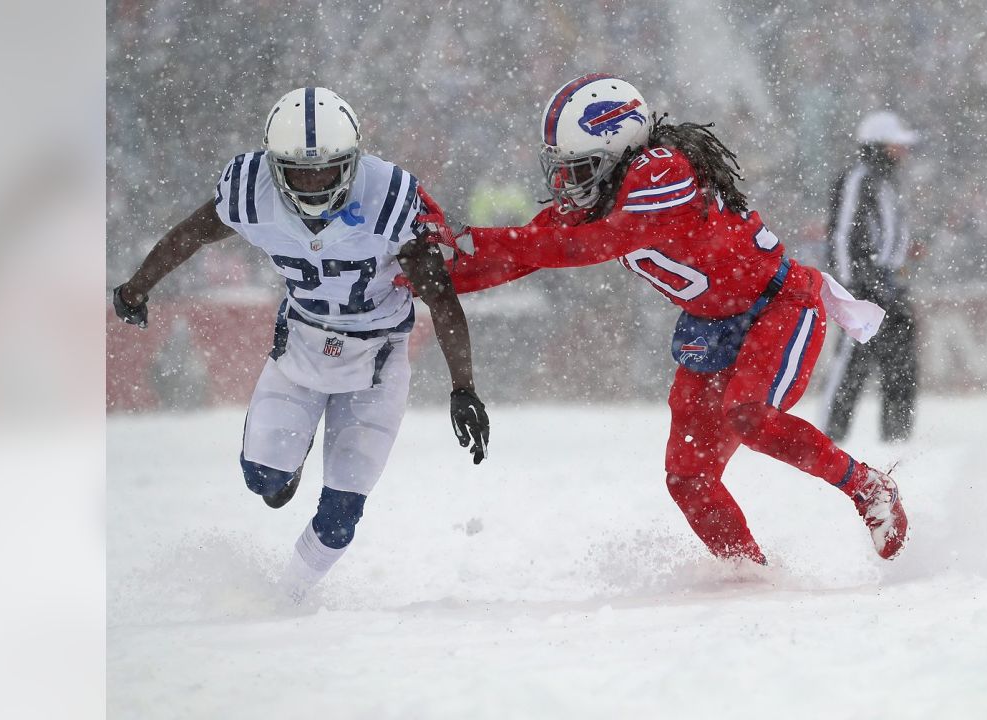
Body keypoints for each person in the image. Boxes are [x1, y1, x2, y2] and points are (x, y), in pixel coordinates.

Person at [428, 74, 907, 563]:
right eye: (563, 169)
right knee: (688, 476)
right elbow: (523, 254)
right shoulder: (610, 186)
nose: (565, 185)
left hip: (777, 304)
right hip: (712, 322)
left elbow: (586, 246)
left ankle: (866, 486)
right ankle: (748, 573)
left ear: (619, 148)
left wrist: (468, 237)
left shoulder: (664, 171)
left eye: (580, 168)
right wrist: (424, 276)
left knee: (750, 415)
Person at [112, 86, 490, 602]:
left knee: (339, 517)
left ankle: (283, 601)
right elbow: (191, 233)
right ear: (274, 167)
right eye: (299, 172)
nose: (313, 184)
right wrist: (139, 284)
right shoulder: (252, 189)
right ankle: (294, 452)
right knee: (265, 483)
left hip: (378, 357)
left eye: (327, 170)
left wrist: (463, 387)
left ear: (354, 161)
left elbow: (441, 298)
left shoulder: (390, 197)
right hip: (303, 344)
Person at [822, 110, 921, 443]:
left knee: (902, 363)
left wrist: (900, 257)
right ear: (878, 146)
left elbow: (886, 232)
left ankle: (897, 437)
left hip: (889, 284)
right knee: (851, 363)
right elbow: (842, 236)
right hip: (865, 285)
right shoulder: (859, 178)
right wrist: (852, 287)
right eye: (896, 145)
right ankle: (830, 439)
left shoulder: (886, 182)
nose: (902, 151)